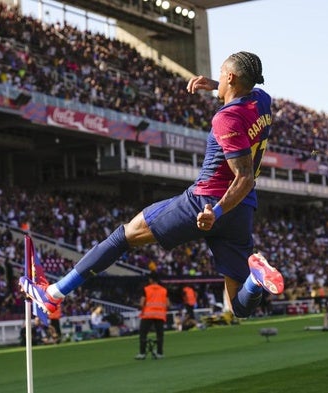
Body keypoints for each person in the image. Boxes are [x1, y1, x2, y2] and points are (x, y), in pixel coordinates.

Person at [19, 51, 284, 325]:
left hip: (206, 201)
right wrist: (216, 86)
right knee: (239, 306)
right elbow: (242, 95)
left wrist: (215, 212)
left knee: (123, 236)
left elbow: (244, 177)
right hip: (242, 211)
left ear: (230, 77)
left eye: (220, 73)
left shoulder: (226, 118)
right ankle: (255, 280)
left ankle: (53, 294)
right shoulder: (262, 101)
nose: (217, 77)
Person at [135, 272, 170, 359]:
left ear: (150, 279)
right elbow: (168, 304)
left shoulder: (146, 289)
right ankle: (160, 353)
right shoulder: (164, 290)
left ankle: (142, 353)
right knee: (160, 335)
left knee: (143, 334)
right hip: (160, 315)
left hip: (148, 314)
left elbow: (141, 303)